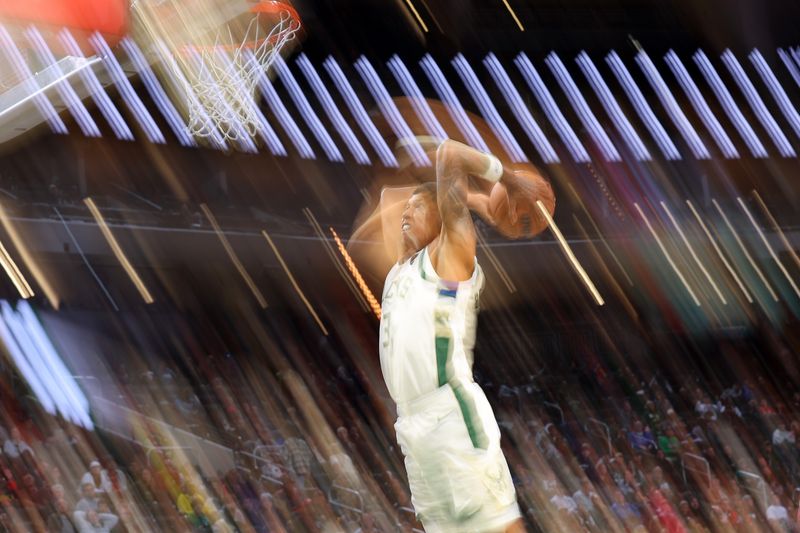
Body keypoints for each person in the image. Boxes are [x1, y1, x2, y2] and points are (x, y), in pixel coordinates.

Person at [351, 138, 553, 532]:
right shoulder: (400, 270)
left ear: (443, 219)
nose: (405, 213)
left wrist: (506, 181)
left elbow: (449, 155)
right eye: (406, 209)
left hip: (451, 417)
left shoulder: (451, 255)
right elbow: (362, 239)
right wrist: (422, 199)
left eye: (419, 208)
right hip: (413, 428)